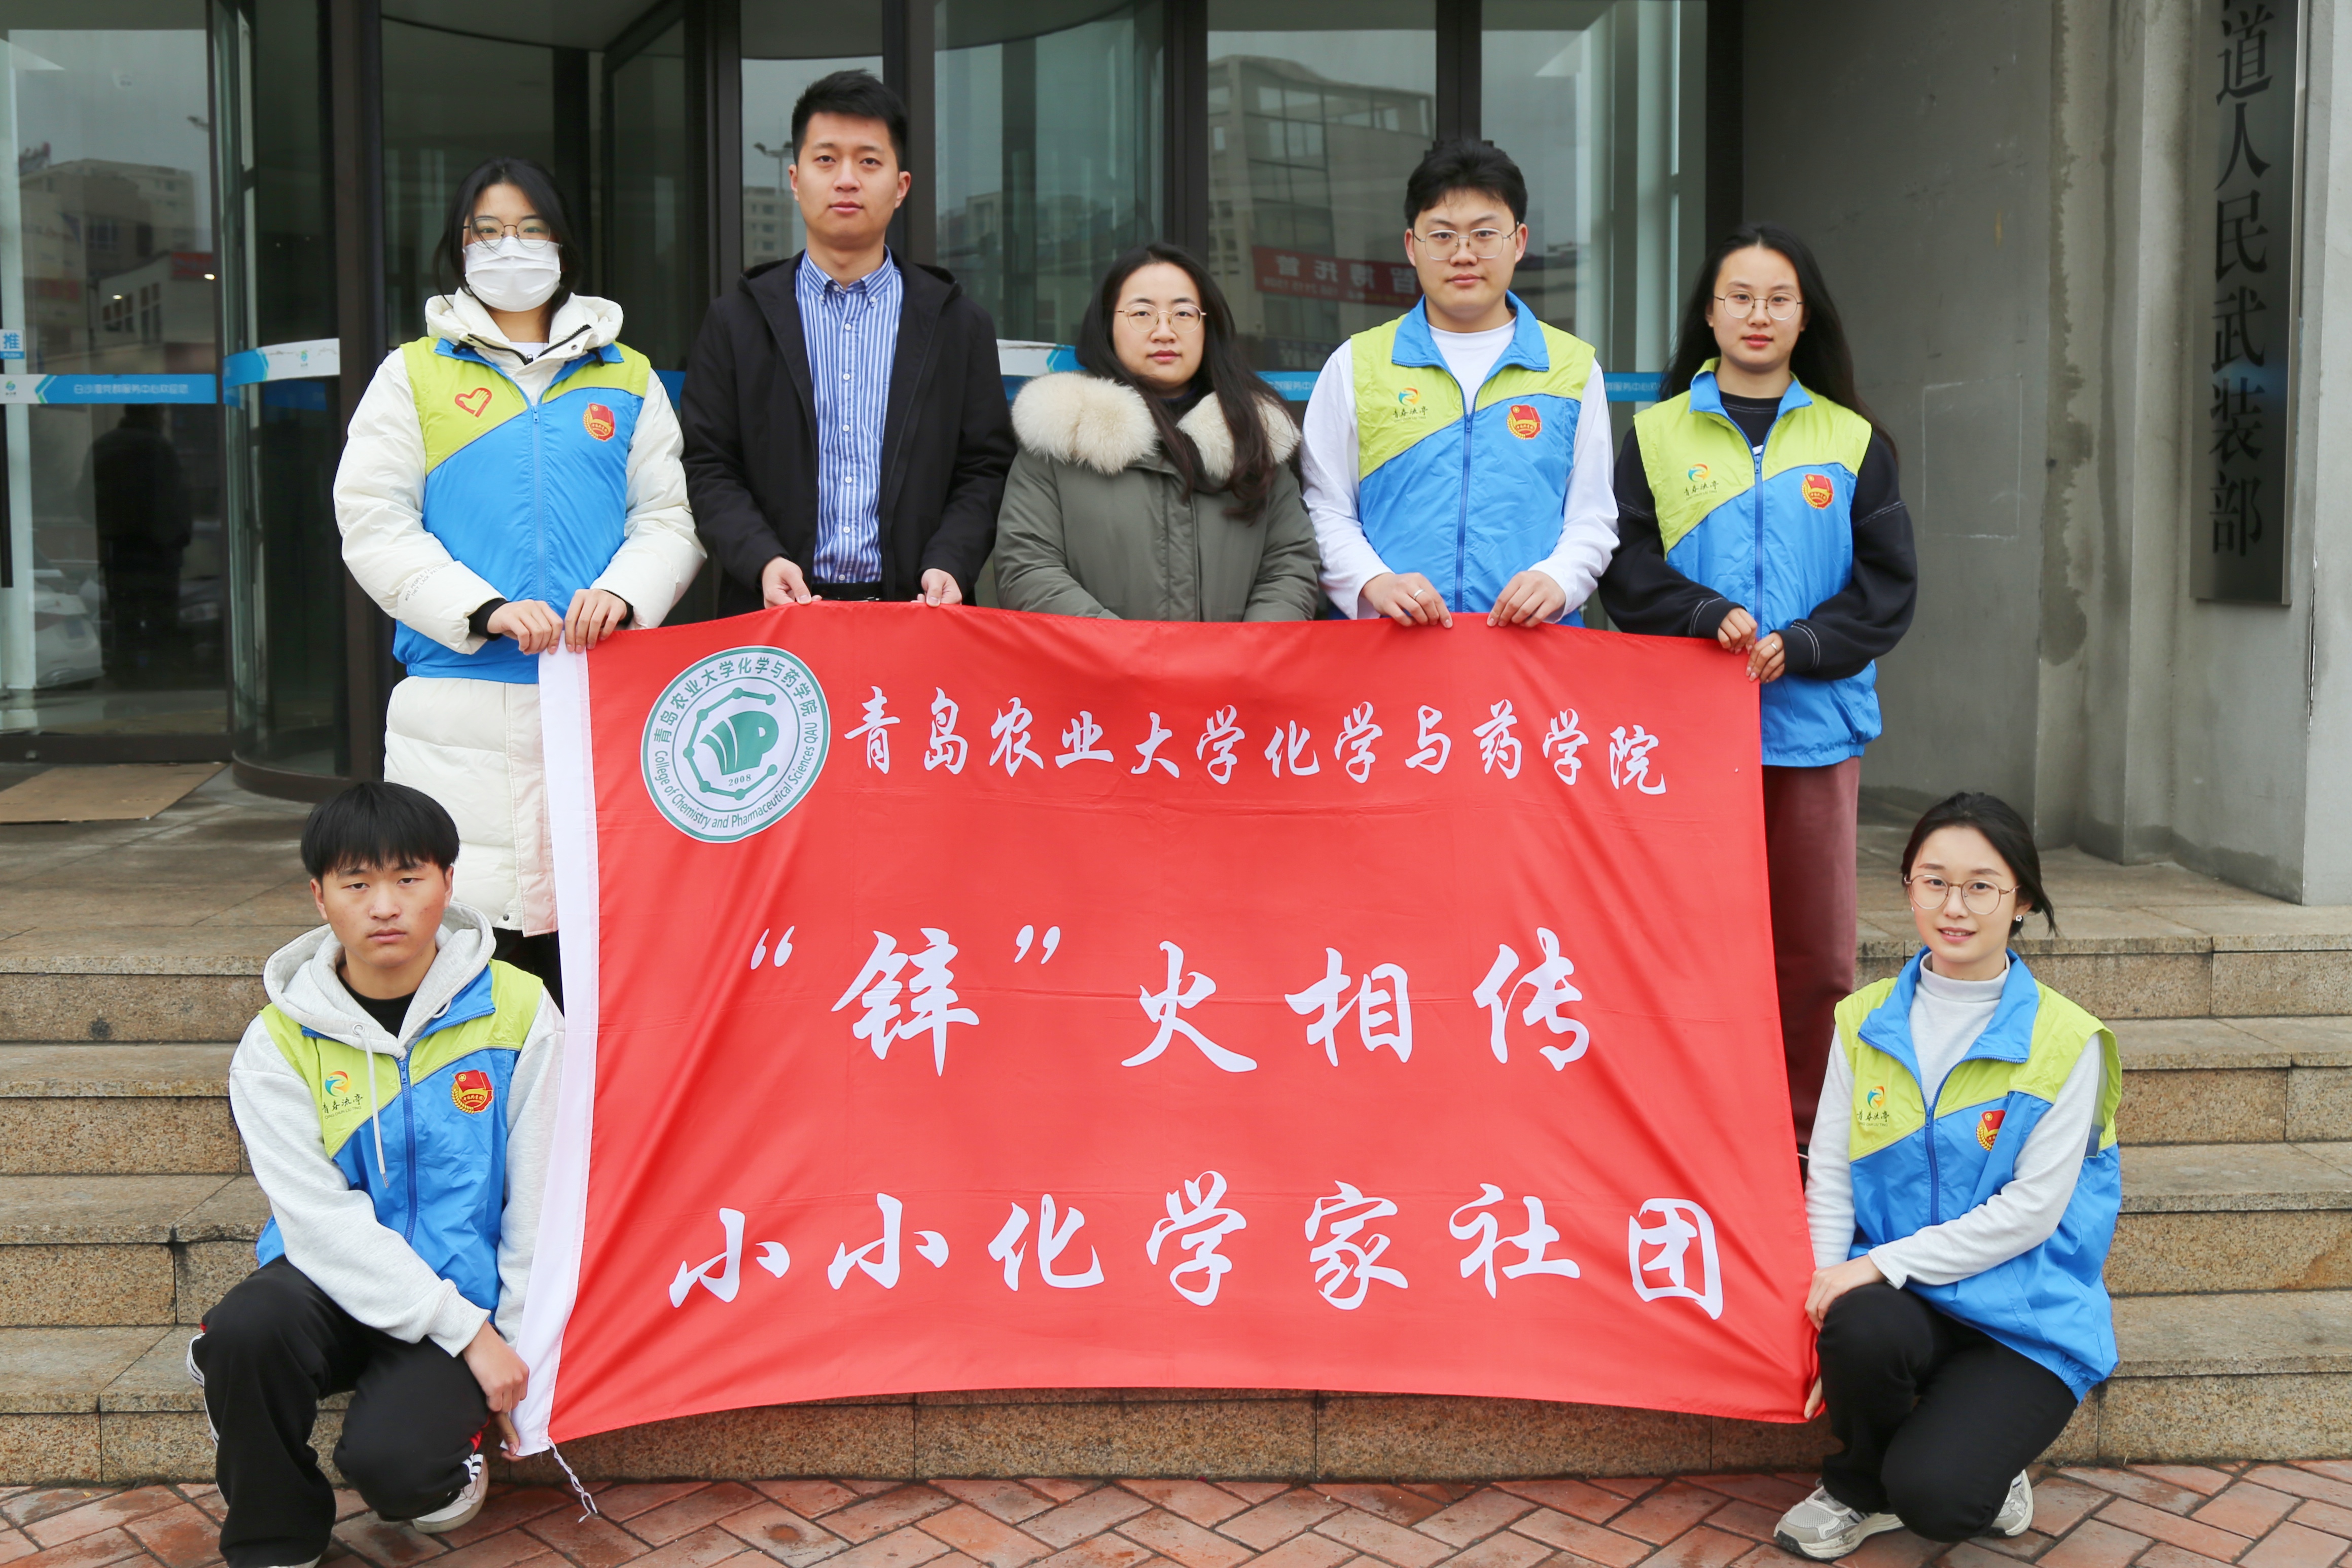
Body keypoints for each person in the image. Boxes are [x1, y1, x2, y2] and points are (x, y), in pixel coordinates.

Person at [336, 157, 702, 991]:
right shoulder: (412, 374)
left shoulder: (627, 375)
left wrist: (624, 594)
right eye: (489, 231)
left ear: (563, 245)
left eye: (531, 229)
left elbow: (668, 518)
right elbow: (373, 520)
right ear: (460, 246)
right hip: (456, 714)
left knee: (599, 962)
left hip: (600, 701)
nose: (511, 247)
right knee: (473, 963)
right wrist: (484, 608)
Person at [1597, 223, 1917, 1147]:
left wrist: (1806, 642)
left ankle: (1802, 1136)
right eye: (1738, 297)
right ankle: (1693, 1133)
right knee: (1684, 945)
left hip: (1813, 732)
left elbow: (1887, 588)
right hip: (1687, 736)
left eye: (1778, 299)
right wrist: (1702, 614)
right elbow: (1624, 568)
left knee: (1813, 951)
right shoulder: (1655, 434)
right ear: (1708, 313)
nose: (1757, 315)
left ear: (1803, 316)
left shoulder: (1851, 439)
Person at [188, 781, 562, 1568]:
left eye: (408, 878)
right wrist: (467, 1335)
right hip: (329, 1284)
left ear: (448, 883)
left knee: (406, 1476)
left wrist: (510, 1343)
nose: (385, 906)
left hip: (461, 1288)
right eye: (357, 884)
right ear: (319, 897)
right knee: (245, 1334)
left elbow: (542, 1199)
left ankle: (442, 1455)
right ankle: (273, 1535)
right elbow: (318, 1222)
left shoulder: (518, 1010)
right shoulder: (279, 1042)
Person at [1774, 792, 2120, 1559]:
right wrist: (1825, 1292)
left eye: (1980, 886)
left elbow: (2031, 1212)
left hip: (2023, 1318)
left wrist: (1879, 1262)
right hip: (1906, 1307)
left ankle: (1990, 1460)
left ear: (2021, 900)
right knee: (1858, 1323)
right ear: (1909, 888)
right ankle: (1856, 1488)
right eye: (1932, 882)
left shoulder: (2069, 1041)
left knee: (1940, 1497)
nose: (1953, 907)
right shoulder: (1863, 1020)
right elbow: (1831, 1171)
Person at [683, 70, 1014, 614]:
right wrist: (762, 559)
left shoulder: (957, 324)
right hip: (775, 618)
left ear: (901, 186)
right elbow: (709, 465)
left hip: (918, 617)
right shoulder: (736, 321)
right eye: (826, 159)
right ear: (795, 179)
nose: (846, 180)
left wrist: (950, 561)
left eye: (868, 161)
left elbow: (985, 467)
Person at [1300, 139, 1617, 628]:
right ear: (1412, 246)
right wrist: (1374, 582)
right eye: (1443, 236)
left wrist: (1558, 578)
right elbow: (1324, 507)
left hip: (1528, 647)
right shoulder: (1356, 365)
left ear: (1519, 241)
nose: (1464, 254)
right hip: (1388, 643)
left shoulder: (1572, 369)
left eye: (1485, 234)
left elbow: (1592, 516)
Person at [995, 243, 1319, 621]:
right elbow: (1028, 569)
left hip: (1240, 661)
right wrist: (1130, 650)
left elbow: (1290, 565)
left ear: (1208, 326)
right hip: (1095, 660)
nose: (1164, 332)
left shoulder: (1255, 435)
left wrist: (1245, 651)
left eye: (1183, 314)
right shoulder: (1059, 435)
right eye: (1142, 314)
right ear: (1107, 325)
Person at [85, 404, 192, 668]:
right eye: (161, 413)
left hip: (120, 549)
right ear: (151, 414)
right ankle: (160, 672)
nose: (164, 419)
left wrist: (107, 528)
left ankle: (126, 672)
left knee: (124, 619)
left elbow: (85, 499)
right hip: (159, 551)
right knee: (162, 619)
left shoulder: (105, 446)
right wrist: (178, 538)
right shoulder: (159, 447)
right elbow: (177, 499)